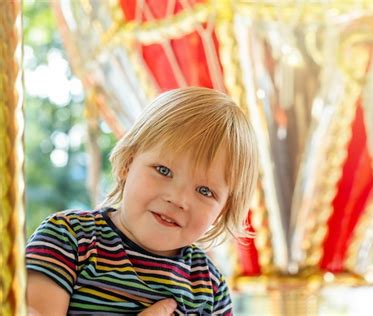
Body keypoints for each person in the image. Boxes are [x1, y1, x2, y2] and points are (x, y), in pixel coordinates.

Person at [26, 87, 259, 315]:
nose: (178, 199)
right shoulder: (67, 239)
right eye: (163, 170)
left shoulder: (211, 290)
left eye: (205, 191)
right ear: (128, 162)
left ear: (224, 209)